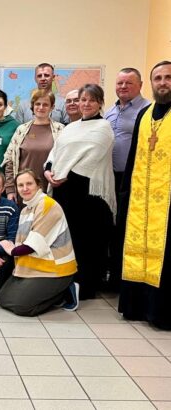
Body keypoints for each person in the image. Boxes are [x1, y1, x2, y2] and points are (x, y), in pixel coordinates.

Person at [45, 84, 115, 300]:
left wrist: (64, 175)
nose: (85, 104)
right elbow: (55, 152)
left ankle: (86, 286)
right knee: (68, 239)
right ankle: (67, 283)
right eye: (82, 99)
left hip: (89, 193)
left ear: (100, 103)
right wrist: (48, 170)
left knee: (88, 241)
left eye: (91, 100)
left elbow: (92, 158)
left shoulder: (103, 127)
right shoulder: (70, 128)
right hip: (63, 191)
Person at [118, 61, 171, 329]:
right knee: (138, 249)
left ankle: (161, 313)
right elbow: (132, 157)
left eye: (168, 77)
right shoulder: (145, 114)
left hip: (168, 202)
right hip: (141, 197)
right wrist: (126, 192)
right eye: (158, 78)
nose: (163, 83)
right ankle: (136, 308)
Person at [0, 169, 78, 316]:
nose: (25, 188)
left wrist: (9, 249)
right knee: (3, 298)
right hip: (33, 266)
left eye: (29, 184)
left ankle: (65, 291)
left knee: (22, 307)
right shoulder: (26, 210)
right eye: (20, 185)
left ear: (38, 185)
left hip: (55, 269)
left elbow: (30, 247)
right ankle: (52, 293)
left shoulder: (47, 205)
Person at [104, 68, 150, 287]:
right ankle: (111, 273)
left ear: (140, 85)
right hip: (109, 177)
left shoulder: (147, 110)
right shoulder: (110, 111)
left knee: (125, 226)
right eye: (120, 83)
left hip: (132, 178)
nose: (123, 87)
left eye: (129, 83)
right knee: (110, 225)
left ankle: (125, 277)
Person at [2, 90, 64, 203]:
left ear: (52, 107)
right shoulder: (21, 130)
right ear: (32, 106)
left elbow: (65, 159)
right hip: (24, 190)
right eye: (37, 104)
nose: (41, 107)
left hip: (50, 189)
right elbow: (10, 160)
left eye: (45, 104)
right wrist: (10, 189)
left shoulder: (60, 130)